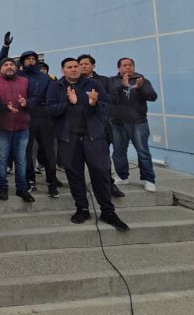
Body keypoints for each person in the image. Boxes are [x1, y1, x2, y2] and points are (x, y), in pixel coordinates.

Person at [46, 58, 129, 231]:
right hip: (69, 139)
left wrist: (95, 103)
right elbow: (50, 110)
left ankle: (107, 211)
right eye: (69, 67)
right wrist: (68, 102)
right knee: (74, 175)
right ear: (63, 71)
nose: (74, 69)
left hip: (94, 137)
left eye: (76, 66)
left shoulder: (93, 84)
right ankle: (82, 208)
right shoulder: (56, 86)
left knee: (100, 174)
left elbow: (107, 107)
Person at [0, 33, 64, 197]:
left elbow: (51, 98)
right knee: (26, 153)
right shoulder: (19, 76)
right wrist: (5, 47)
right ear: (22, 62)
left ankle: (51, 182)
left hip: (43, 117)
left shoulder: (46, 78)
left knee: (49, 152)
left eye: (33, 59)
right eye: (27, 59)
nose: (30, 61)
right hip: (25, 118)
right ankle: (30, 181)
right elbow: (2, 64)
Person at [78, 54, 126, 199]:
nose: (83, 66)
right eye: (81, 64)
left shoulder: (104, 81)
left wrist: (97, 99)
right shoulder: (75, 82)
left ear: (93, 65)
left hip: (101, 125)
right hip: (80, 127)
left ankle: (109, 185)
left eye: (86, 64)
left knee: (103, 160)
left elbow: (114, 98)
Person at [0, 57, 38, 202]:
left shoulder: (25, 81)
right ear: (0, 68)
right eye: (5, 64)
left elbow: (35, 98)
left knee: (21, 160)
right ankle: (3, 187)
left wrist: (26, 103)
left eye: (12, 64)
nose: (9, 66)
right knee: (1, 159)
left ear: (16, 67)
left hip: (22, 126)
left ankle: (21, 188)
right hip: (1, 127)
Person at [109, 57, 159, 192]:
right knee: (118, 151)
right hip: (117, 123)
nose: (128, 67)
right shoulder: (112, 81)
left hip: (138, 122)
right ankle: (122, 176)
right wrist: (122, 86)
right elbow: (108, 96)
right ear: (118, 68)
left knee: (143, 151)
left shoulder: (142, 80)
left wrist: (141, 88)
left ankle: (148, 179)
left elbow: (153, 97)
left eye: (130, 65)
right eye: (124, 65)